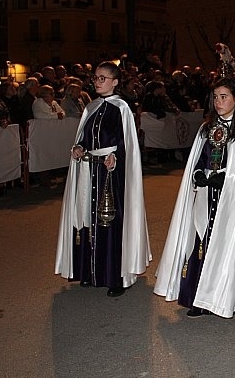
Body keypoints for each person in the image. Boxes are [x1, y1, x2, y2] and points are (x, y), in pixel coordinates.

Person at [153, 77, 235, 331]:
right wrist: (197, 172)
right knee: (202, 244)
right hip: (207, 197)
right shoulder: (207, 129)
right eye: (215, 97)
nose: (219, 102)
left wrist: (228, 178)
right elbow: (200, 156)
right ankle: (202, 298)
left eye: (224, 96)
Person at [55, 61, 151, 297]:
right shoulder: (91, 107)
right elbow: (85, 138)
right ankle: (89, 272)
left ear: (115, 82)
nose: (97, 82)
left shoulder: (121, 108)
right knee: (87, 219)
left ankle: (115, 276)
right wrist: (78, 147)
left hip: (111, 174)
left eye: (102, 78)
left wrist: (115, 155)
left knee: (110, 220)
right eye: (96, 78)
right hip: (89, 170)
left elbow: (126, 142)